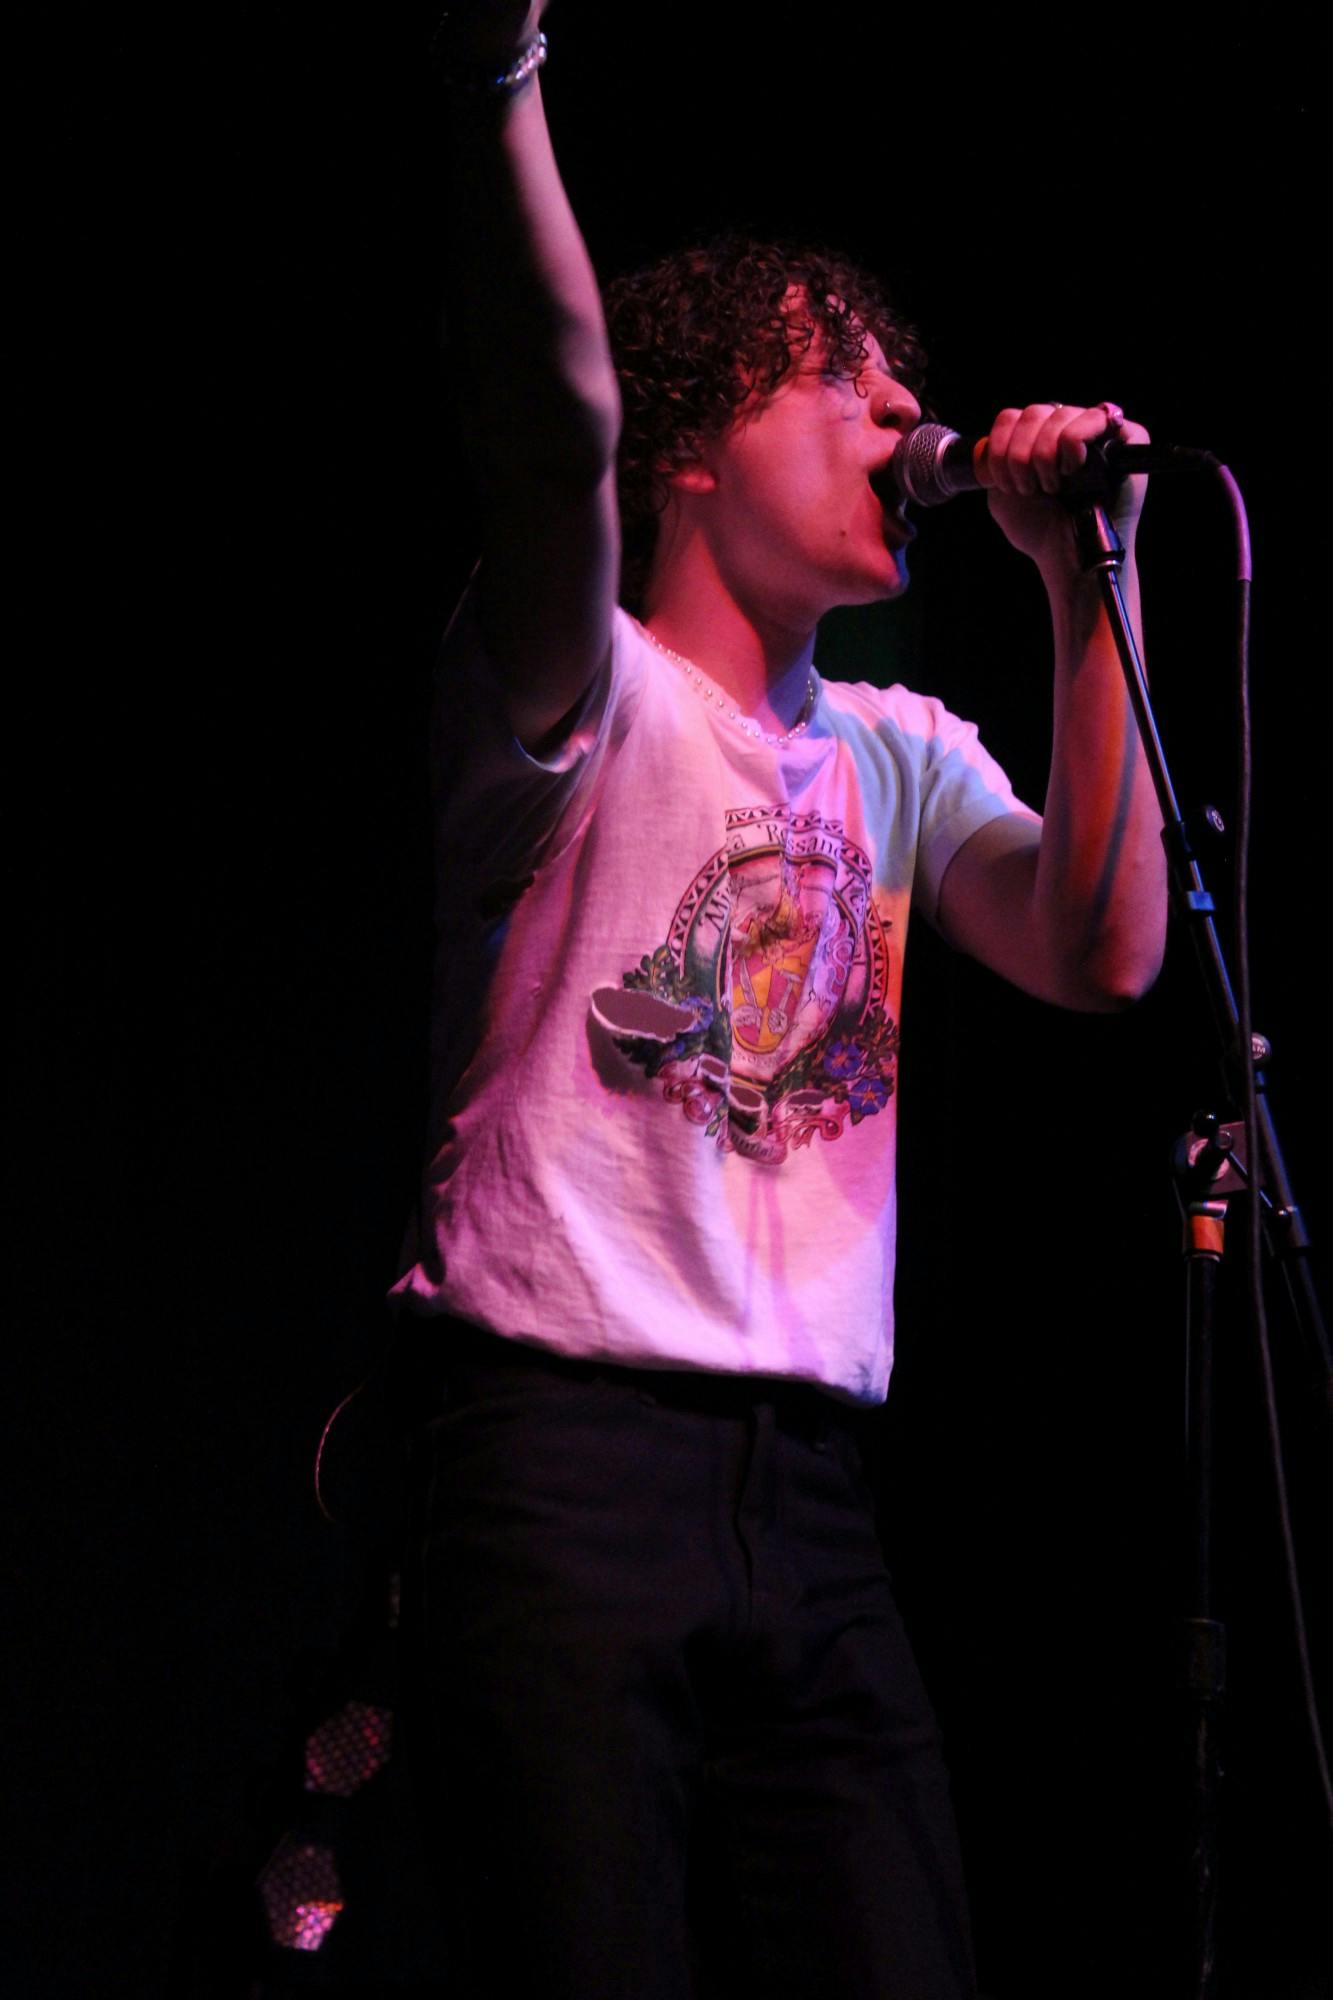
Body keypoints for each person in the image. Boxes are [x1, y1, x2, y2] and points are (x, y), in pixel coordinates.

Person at [392, 6, 1168, 1995]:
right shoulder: (584, 685)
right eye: (838, 370)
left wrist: (1090, 583)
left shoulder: (901, 752)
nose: (904, 401)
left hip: (808, 1499)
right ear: (692, 446)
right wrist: (502, 80)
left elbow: (1102, 943)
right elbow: (543, 409)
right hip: (565, 1463)